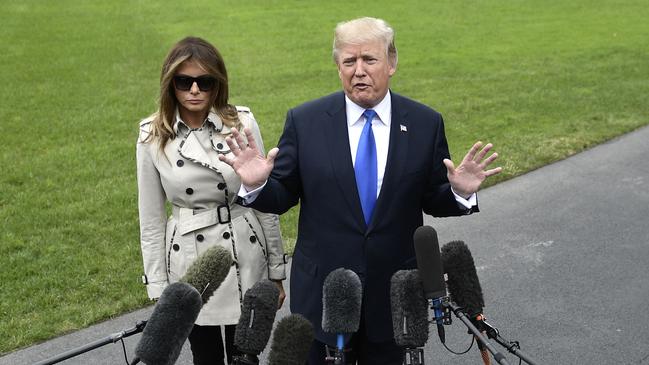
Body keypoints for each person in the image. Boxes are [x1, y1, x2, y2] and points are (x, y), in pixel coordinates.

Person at [220, 17, 502, 365]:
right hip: (325, 296)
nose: (358, 71)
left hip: (394, 299)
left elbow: (432, 197)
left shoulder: (425, 123)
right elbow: (282, 196)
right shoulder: (305, 122)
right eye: (349, 61)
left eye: (369, 59)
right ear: (338, 66)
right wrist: (257, 183)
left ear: (392, 63)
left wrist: (458, 192)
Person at [135, 36, 286, 365]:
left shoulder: (242, 123)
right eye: (183, 81)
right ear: (170, 83)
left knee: (246, 354)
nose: (194, 90)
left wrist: (276, 270)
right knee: (205, 356)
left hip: (244, 253)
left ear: (218, 84)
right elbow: (151, 220)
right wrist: (159, 286)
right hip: (190, 260)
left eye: (204, 82)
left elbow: (262, 200)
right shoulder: (151, 135)